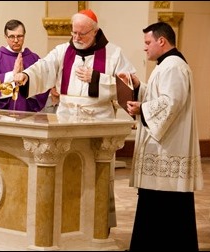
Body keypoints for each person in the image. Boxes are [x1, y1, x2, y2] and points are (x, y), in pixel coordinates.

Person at [14, 9, 136, 230]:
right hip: (67, 123)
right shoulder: (63, 51)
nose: (76, 38)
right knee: (65, 177)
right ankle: (66, 226)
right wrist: (25, 76)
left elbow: (130, 86)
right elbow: (43, 67)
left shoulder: (114, 54)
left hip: (97, 127)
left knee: (95, 180)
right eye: (74, 33)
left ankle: (97, 228)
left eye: (82, 34)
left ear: (95, 31)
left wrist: (97, 79)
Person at [123, 22, 203, 251]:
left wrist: (142, 109)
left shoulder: (174, 66)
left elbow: (172, 103)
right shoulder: (167, 65)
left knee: (165, 209)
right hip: (163, 149)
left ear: (162, 41)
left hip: (168, 150)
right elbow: (162, 96)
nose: (145, 48)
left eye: (148, 43)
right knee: (157, 206)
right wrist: (139, 87)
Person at [0, 19, 49, 112]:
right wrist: (12, 75)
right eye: (12, 37)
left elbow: (43, 84)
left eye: (19, 36)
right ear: (5, 37)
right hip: (3, 114)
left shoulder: (34, 58)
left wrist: (26, 78)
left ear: (24, 35)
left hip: (27, 113)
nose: (16, 40)